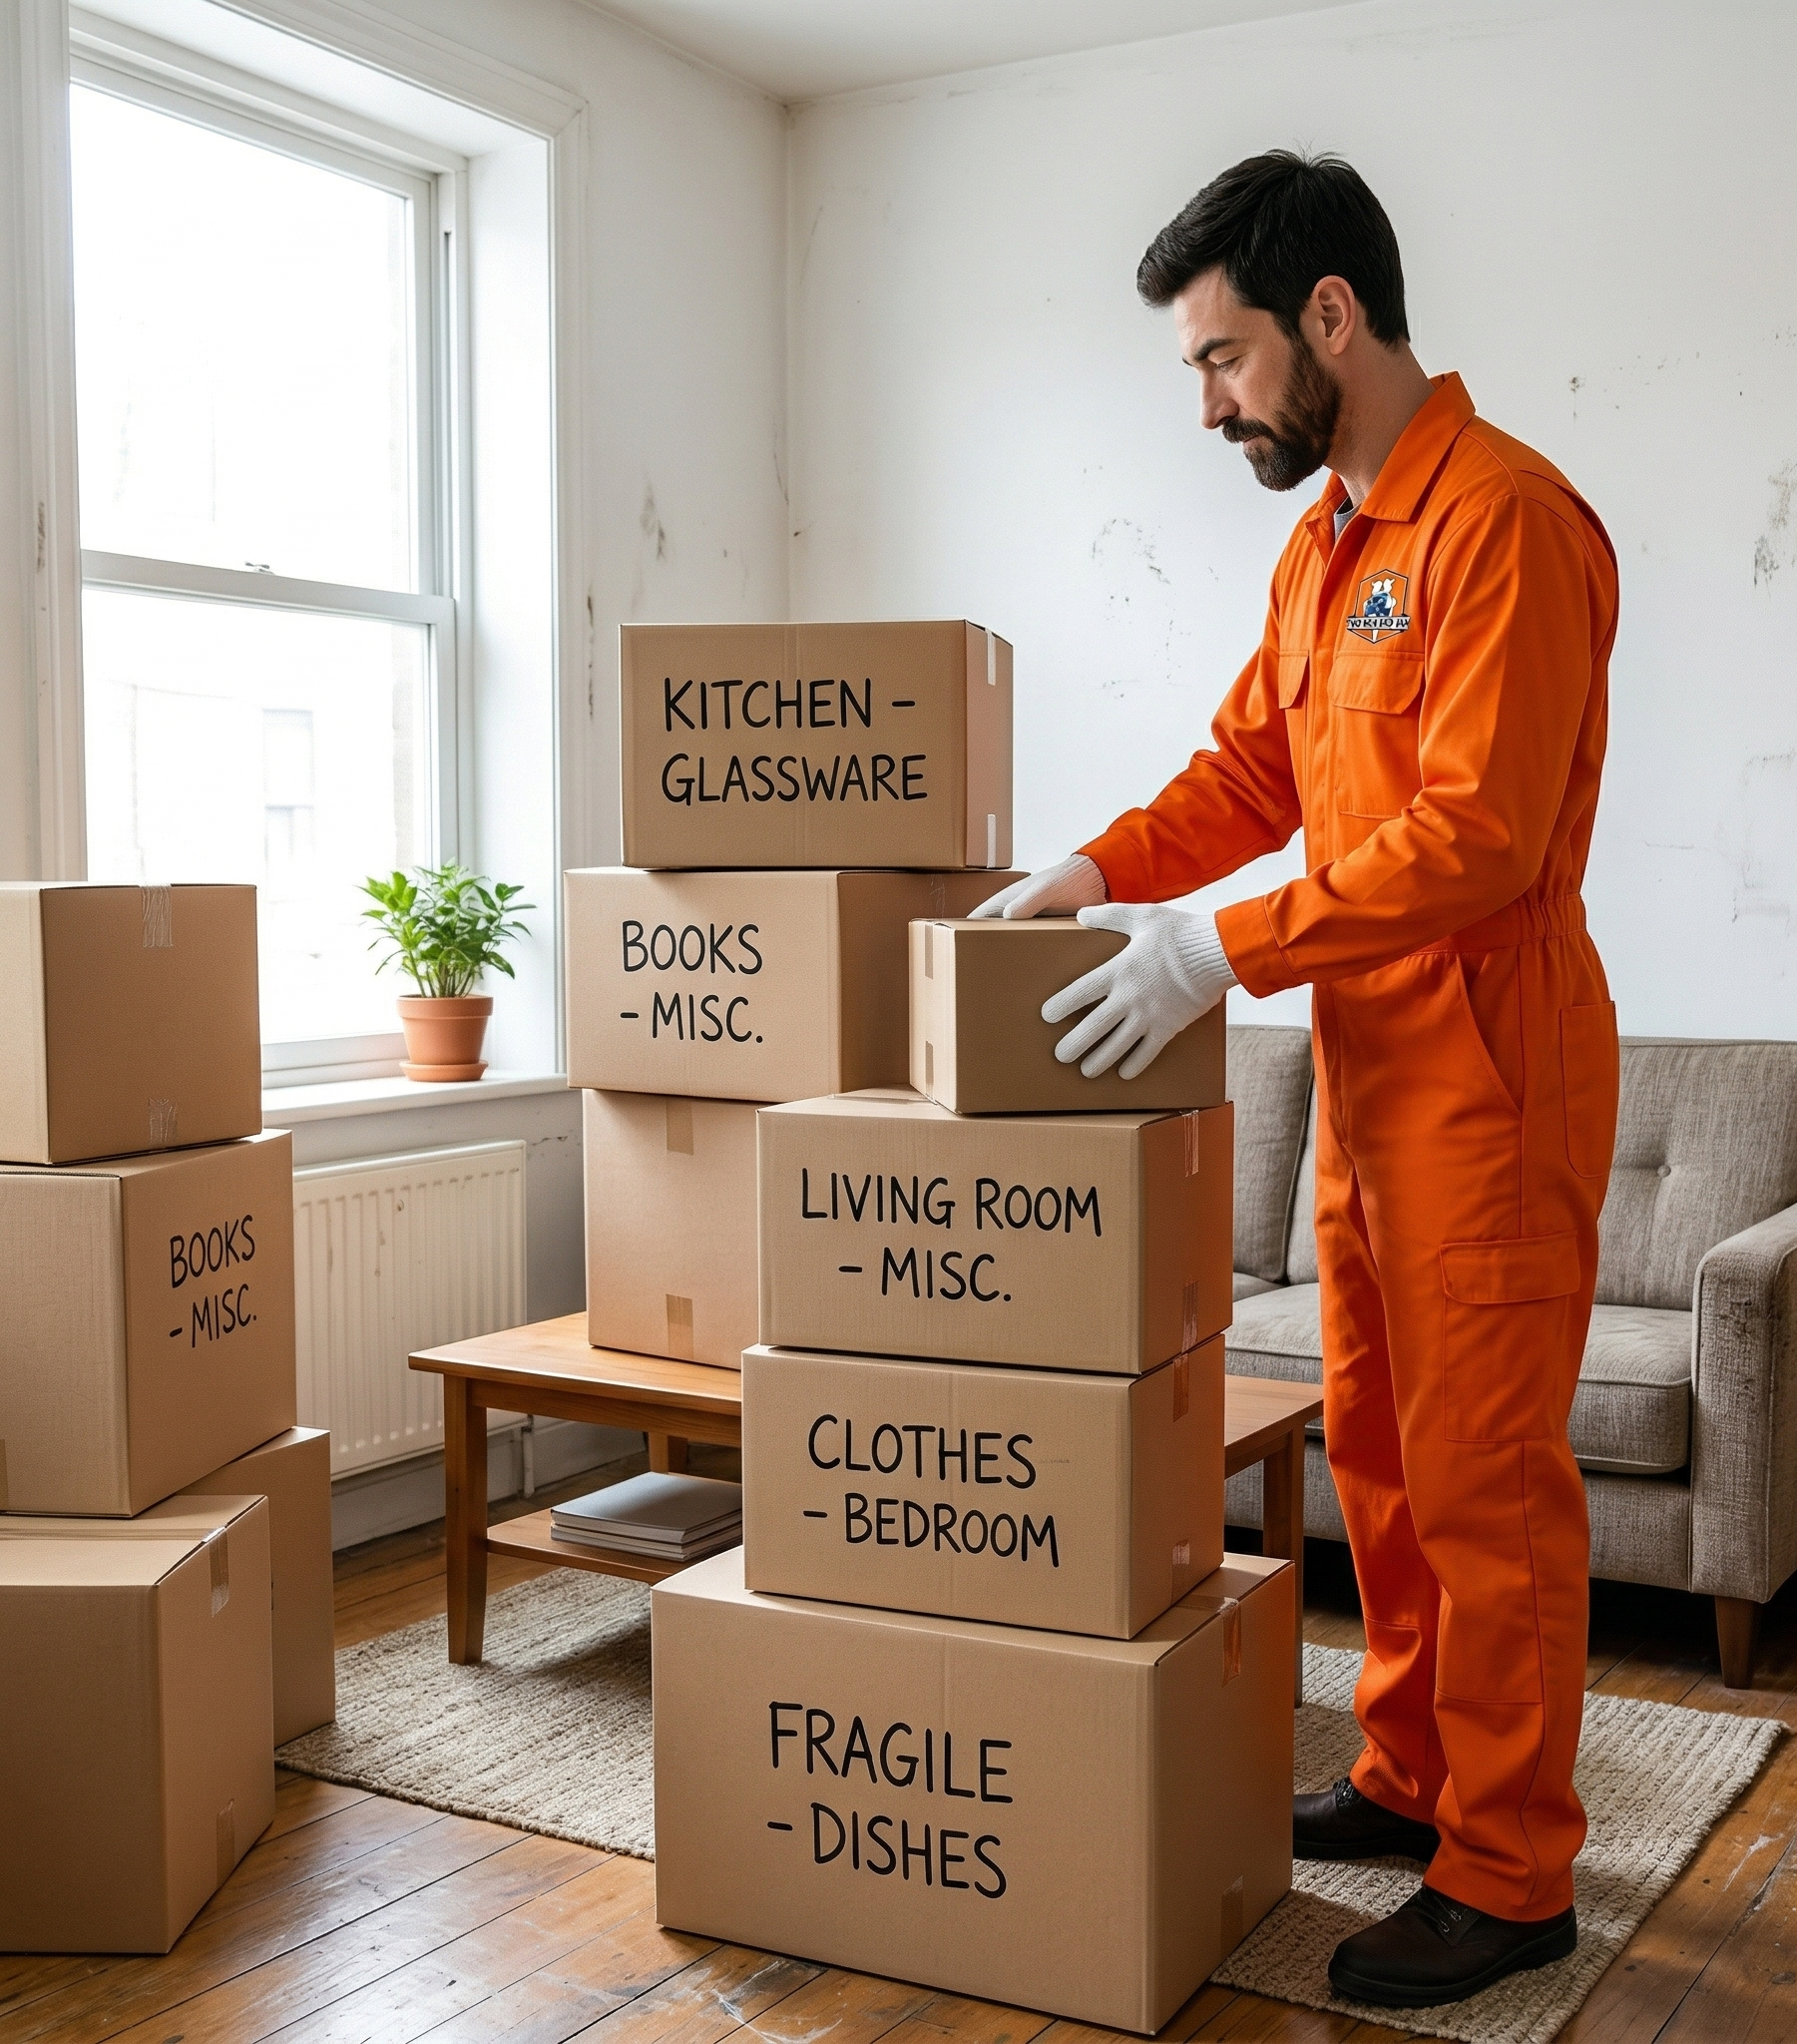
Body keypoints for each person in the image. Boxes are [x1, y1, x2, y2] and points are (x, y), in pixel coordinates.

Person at [974, 150, 1618, 2010]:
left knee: (1487, 1486)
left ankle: (1514, 1875)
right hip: (1368, 1074)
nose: (1209, 403)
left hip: (1491, 1076)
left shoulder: (1508, 522)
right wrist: (1103, 871)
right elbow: (1253, 774)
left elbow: (1483, 837)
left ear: (1330, 316)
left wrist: (1218, 951)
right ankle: (1419, 1778)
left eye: (1225, 357)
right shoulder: (1326, 545)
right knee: (1387, 1459)